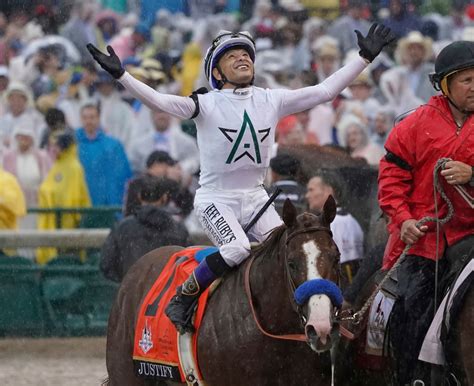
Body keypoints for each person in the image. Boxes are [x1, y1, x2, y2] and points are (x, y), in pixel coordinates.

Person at [87, 24, 395, 333]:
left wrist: (364, 58)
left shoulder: (271, 99)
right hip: (215, 199)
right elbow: (160, 101)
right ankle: (184, 297)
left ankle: (303, 314)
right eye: (231, 56)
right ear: (217, 73)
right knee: (236, 249)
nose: (242, 59)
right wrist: (122, 76)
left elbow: (325, 91)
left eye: (246, 54)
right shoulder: (205, 103)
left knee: (291, 250)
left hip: (257, 197)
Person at [378, 40, 474, 385]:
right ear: (446, 85)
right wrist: (402, 220)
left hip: (470, 236)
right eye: (466, 80)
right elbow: (391, 178)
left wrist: (471, 175)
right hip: (423, 240)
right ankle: (411, 378)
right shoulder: (416, 124)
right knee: (411, 312)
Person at [101, 175, 190, 282]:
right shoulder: (178, 229)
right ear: (164, 198)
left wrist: (128, 281)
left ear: (139, 197)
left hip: (133, 295)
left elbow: (106, 264)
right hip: (168, 295)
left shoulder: (123, 227)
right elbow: (189, 263)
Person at [306, 172, 364, 284]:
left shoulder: (332, 223)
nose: (307, 195)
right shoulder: (352, 220)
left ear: (328, 191)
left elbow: (337, 265)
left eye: (311, 190)